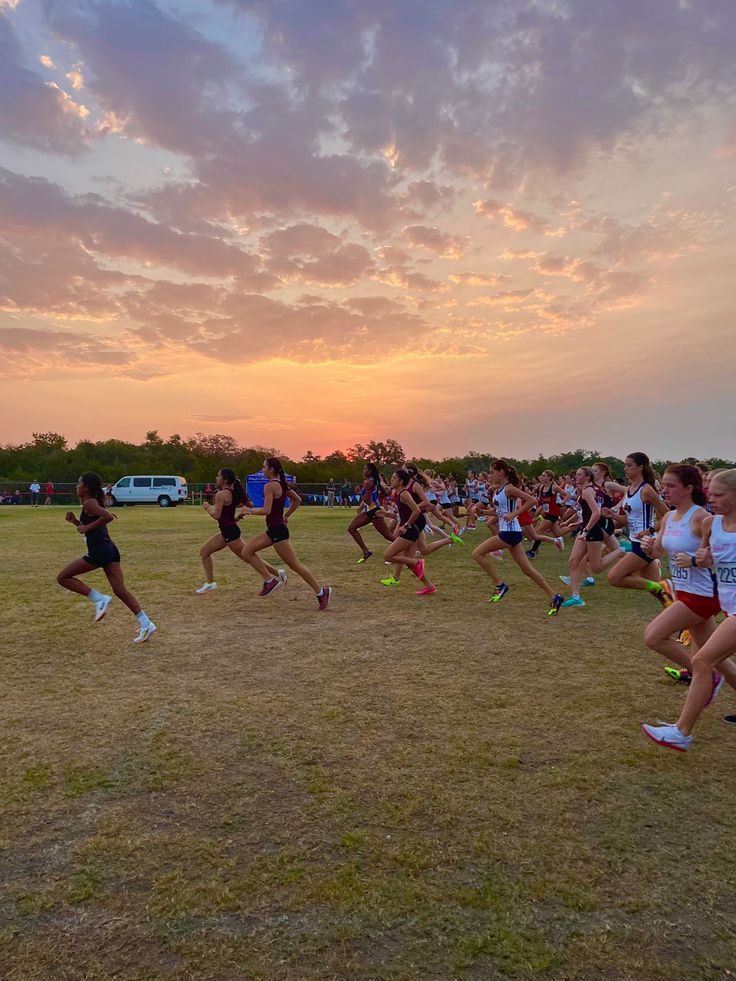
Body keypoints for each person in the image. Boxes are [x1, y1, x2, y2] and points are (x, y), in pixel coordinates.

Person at [642, 468, 736, 750]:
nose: (712, 498)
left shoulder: (700, 518)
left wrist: (698, 561)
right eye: (711, 493)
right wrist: (699, 560)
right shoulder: (713, 525)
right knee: (714, 660)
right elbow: (707, 560)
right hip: (724, 605)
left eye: (718, 494)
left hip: (704, 598)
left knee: (701, 661)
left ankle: (682, 733)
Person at [56, 472, 156, 643]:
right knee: (120, 591)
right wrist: (75, 522)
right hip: (109, 550)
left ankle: (99, 599)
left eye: (78, 484)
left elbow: (108, 517)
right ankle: (146, 623)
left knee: (63, 577)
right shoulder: (90, 503)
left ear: (86, 488)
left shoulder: (90, 503)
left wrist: (86, 528)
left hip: (100, 552)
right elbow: (90, 528)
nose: (76, 486)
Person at [471, 460, 564, 616]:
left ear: (501, 472)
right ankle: (555, 596)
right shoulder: (499, 490)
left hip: (510, 533)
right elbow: (500, 511)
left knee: (477, 554)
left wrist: (515, 514)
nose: (490, 475)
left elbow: (532, 500)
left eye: (492, 471)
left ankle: (500, 586)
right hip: (511, 532)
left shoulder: (509, 489)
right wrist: (484, 513)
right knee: (527, 570)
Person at [239, 457, 332, 610]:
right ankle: (270, 580)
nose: (262, 470)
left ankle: (322, 592)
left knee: (295, 565)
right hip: (275, 529)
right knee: (246, 551)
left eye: (264, 467)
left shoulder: (270, 486)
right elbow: (297, 500)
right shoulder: (282, 484)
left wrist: (249, 511)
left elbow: (267, 510)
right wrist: (286, 515)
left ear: (272, 469)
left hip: (277, 531)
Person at [195, 468, 284, 594]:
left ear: (225, 480)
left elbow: (217, 515)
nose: (216, 478)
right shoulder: (230, 492)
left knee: (248, 556)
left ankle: (272, 578)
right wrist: (238, 517)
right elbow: (228, 518)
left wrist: (207, 507)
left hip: (230, 534)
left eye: (218, 476)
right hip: (228, 531)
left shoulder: (221, 495)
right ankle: (210, 583)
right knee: (204, 551)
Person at [606, 451, 672, 605]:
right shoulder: (629, 490)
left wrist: (650, 530)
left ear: (640, 467)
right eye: (625, 465)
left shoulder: (646, 490)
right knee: (659, 595)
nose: (625, 469)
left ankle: (664, 586)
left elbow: (668, 516)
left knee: (614, 577)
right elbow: (631, 521)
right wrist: (613, 516)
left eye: (629, 465)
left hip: (647, 544)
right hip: (636, 541)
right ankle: (684, 625)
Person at [380, 468, 436, 595]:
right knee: (408, 561)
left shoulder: (404, 494)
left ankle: (418, 562)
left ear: (400, 481)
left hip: (410, 531)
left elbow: (416, 510)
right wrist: (388, 516)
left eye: (394, 478)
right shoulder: (398, 493)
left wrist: (405, 526)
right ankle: (429, 586)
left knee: (388, 555)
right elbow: (402, 513)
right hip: (408, 529)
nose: (391, 480)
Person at [347, 463, 394, 563]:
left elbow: (367, 500)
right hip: (370, 510)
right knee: (351, 528)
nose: (363, 471)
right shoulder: (374, 481)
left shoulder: (370, 482)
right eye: (363, 469)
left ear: (370, 471)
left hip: (373, 511)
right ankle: (366, 552)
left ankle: (409, 546)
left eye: (365, 469)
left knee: (388, 536)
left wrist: (360, 492)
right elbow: (386, 492)